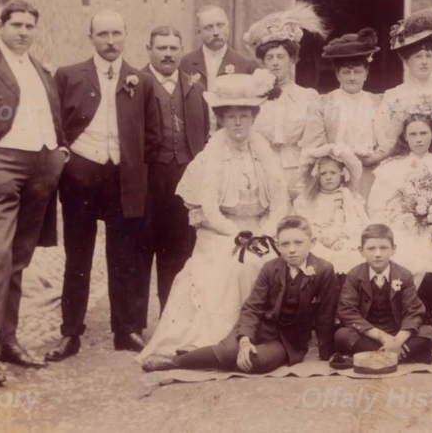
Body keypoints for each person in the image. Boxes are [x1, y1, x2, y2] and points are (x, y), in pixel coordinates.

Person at [138, 70, 289, 363]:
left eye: (244, 116)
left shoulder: (264, 154)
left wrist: (267, 229)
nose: (238, 123)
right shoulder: (209, 158)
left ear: (253, 118)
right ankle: (218, 340)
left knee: (271, 261)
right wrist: (234, 233)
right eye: (231, 117)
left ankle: (262, 335)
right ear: (220, 119)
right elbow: (208, 210)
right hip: (220, 232)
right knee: (237, 266)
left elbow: (279, 201)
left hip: (260, 229)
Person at [46, 10, 158, 362]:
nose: (110, 41)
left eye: (116, 34)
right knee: (77, 255)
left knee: (123, 255)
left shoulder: (141, 80)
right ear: (91, 38)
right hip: (80, 175)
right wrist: (69, 163)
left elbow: (152, 133)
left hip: (122, 178)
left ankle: (125, 330)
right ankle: (70, 333)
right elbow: (55, 124)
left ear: (126, 35)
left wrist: (134, 166)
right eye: (103, 34)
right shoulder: (68, 75)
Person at [141, 216, 337, 373]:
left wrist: (326, 352)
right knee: (227, 352)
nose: (292, 250)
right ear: (277, 245)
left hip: (286, 340)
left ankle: (203, 358)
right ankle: (175, 362)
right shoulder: (271, 268)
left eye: (298, 243)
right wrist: (245, 341)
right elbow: (253, 307)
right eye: (285, 244)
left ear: (311, 242)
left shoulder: (324, 270)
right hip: (260, 326)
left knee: (255, 362)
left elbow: (325, 315)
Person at [0, 1, 68, 382]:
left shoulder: (40, 69)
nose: (23, 31)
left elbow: (52, 115)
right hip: (3, 166)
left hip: (41, 166)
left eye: (29, 26)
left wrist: (60, 150)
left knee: (19, 257)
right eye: (16, 25)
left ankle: (8, 340)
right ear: (1, 26)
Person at [136, 26, 210, 333]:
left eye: (173, 48)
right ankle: (133, 326)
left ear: (181, 50)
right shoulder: (136, 82)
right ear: (149, 50)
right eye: (161, 48)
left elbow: (204, 131)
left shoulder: (194, 85)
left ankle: (172, 320)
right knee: (141, 252)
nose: (168, 54)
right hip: (147, 178)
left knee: (179, 253)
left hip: (183, 179)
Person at [367, 101, 432, 292]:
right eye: (412, 134)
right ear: (405, 136)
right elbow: (376, 205)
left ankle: (419, 303)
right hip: (400, 226)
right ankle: (400, 301)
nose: (418, 139)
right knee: (403, 251)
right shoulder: (392, 166)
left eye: (423, 133)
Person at [243, 4, 327, 202]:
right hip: (258, 170)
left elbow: (313, 142)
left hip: (296, 172)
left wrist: (303, 177)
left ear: (292, 60)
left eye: (281, 57)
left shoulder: (307, 97)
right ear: (262, 62)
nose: (275, 62)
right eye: (269, 58)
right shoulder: (251, 97)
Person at [333, 223, 432, 365]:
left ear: (393, 249)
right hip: (368, 333)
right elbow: (347, 311)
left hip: (397, 332)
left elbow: (414, 311)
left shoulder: (404, 275)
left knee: (430, 332)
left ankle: (379, 355)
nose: (378, 254)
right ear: (361, 251)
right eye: (371, 248)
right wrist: (383, 338)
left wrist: (397, 341)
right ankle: (402, 354)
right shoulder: (354, 275)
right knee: (342, 336)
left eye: (383, 248)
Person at [376, 5, 432, 166]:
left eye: (428, 56)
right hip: (408, 164)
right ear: (406, 61)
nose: (424, 62)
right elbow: (386, 139)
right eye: (418, 57)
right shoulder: (394, 95)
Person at [306, 29, 383, 200]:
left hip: (372, 173)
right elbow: (315, 144)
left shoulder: (379, 103)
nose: (352, 77)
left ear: (366, 73)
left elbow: (387, 140)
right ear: (337, 75)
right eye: (346, 72)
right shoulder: (322, 103)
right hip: (337, 175)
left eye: (358, 72)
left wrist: (375, 157)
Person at [294, 144, 371, 277]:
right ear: (317, 176)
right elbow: (305, 223)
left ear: (342, 174)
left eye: (333, 173)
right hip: (317, 239)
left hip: (344, 238)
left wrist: (343, 238)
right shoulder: (308, 198)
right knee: (319, 257)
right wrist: (325, 240)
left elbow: (358, 221)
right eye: (323, 173)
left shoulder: (347, 195)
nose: (328, 177)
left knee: (353, 256)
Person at [179, 5, 256, 92]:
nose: (216, 32)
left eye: (220, 25)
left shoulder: (244, 65)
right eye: (209, 27)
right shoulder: (185, 63)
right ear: (199, 32)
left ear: (228, 27)